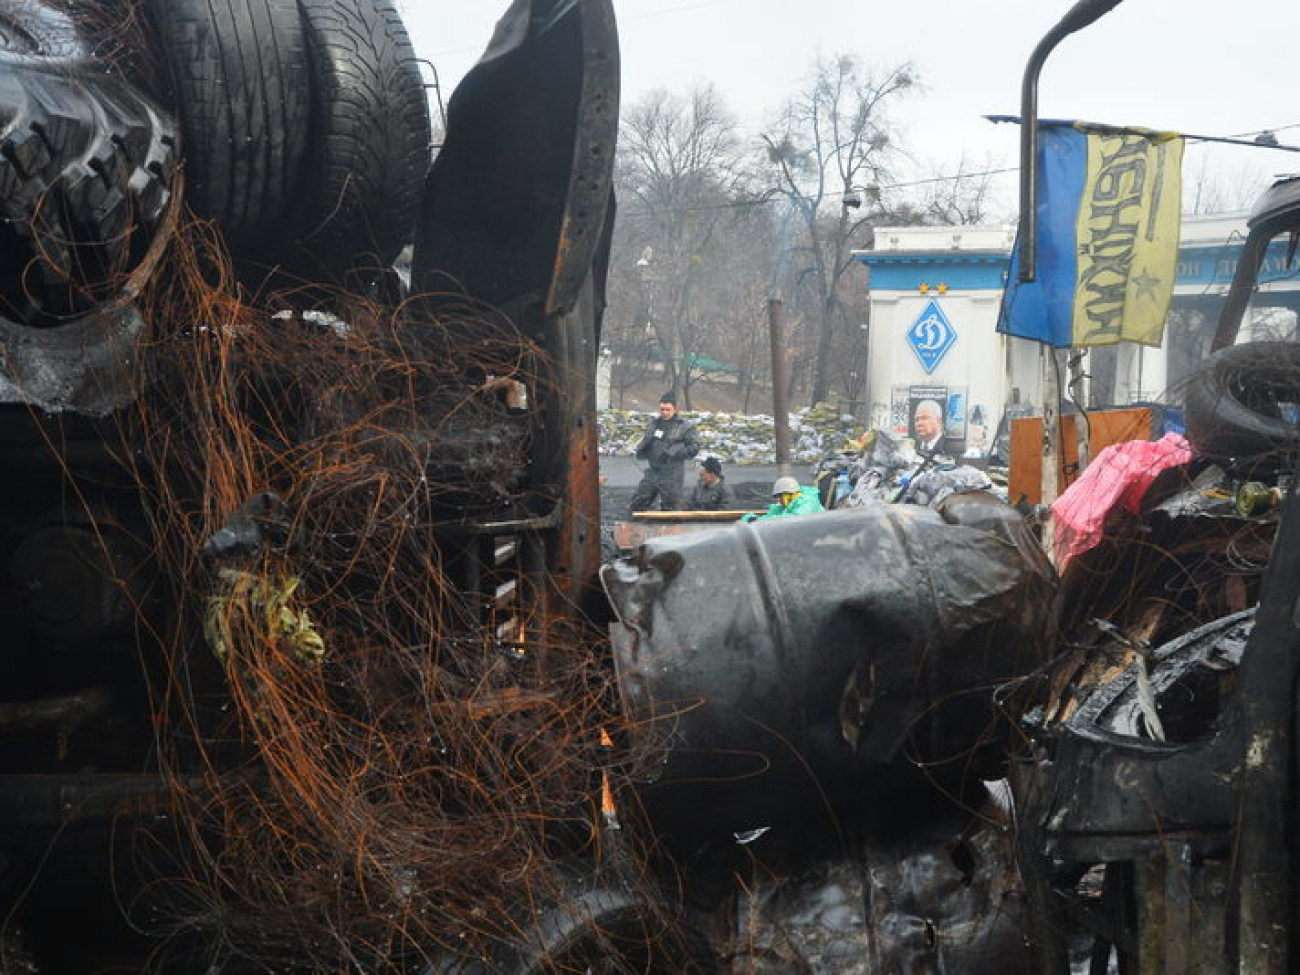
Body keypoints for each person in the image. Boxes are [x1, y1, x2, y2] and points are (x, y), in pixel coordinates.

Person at [628, 393, 699, 513]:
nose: (664, 412)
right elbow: (647, 440)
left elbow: (694, 447)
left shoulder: (684, 426)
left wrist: (674, 453)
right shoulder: (655, 424)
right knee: (638, 502)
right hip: (653, 470)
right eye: (662, 409)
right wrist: (641, 450)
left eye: (668, 409)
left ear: (675, 409)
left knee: (670, 507)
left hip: (672, 473)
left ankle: (671, 529)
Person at [741, 475, 825, 522]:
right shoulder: (784, 506)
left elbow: (793, 519)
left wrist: (759, 521)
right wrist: (752, 519)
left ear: (788, 494)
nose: (778, 500)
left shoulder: (808, 502)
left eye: (780, 496)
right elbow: (771, 516)